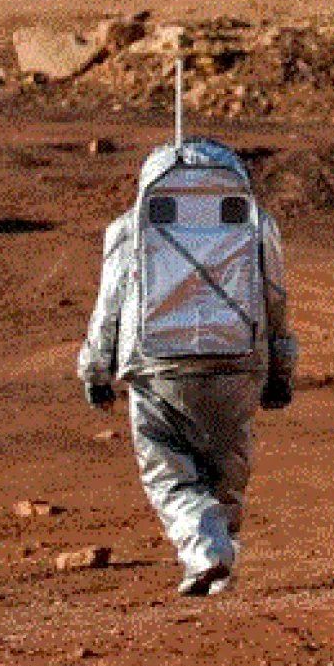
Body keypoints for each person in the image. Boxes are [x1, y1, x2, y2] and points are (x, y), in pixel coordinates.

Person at [78, 137, 296, 596]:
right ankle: (221, 558)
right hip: (237, 361)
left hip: (158, 367)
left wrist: (95, 369)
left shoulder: (130, 228)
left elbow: (109, 305)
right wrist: (281, 368)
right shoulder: (257, 224)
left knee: (167, 472)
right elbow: (275, 298)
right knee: (228, 470)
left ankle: (207, 551)